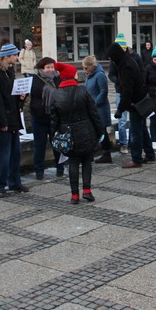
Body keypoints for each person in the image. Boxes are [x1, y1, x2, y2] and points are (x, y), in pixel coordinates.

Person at [51, 62, 104, 205]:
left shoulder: (56, 94)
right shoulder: (82, 90)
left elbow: (54, 119)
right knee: (87, 160)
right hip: (86, 130)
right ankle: (87, 191)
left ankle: (74, 195)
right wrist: (100, 131)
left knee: (73, 163)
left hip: (67, 133)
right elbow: (94, 113)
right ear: (71, 75)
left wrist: (53, 135)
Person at [107, 39, 156, 168]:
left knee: (135, 132)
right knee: (142, 129)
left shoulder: (125, 66)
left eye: (111, 57)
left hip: (135, 103)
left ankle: (136, 159)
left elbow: (127, 90)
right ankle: (150, 154)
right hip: (139, 101)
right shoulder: (127, 60)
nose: (110, 60)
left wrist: (120, 109)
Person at [0, 43, 28, 197]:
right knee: (2, 154)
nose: (17, 57)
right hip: (3, 121)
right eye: (15, 55)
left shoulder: (9, 71)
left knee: (15, 153)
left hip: (13, 118)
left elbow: (12, 96)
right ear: (7, 56)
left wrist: (21, 98)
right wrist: (2, 122)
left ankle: (14, 182)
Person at [28, 56, 64, 179]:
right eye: (47, 67)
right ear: (41, 68)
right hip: (39, 118)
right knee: (40, 146)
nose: (50, 70)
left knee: (57, 145)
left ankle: (60, 168)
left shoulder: (57, 78)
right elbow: (31, 96)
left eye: (52, 67)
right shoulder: (35, 79)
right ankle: (39, 171)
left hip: (55, 118)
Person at [83, 55, 113, 164]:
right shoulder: (90, 75)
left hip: (100, 108)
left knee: (101, 131)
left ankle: (107, 154)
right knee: (93, 131)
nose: (84, 70)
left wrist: (94, 104)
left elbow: (103, 92)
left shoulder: (100, 75)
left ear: (91, 66)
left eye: (86, 68)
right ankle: (93, 153)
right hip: (92, 107)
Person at [109, 33, 130, 154]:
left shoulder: (132, 57)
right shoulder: (113, 61)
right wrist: (118, 81)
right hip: (119, 91)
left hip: (131, 92)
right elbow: (111, 75)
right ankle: (123, 143)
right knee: (122, 119)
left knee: (135, 119)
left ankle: (134, 141)